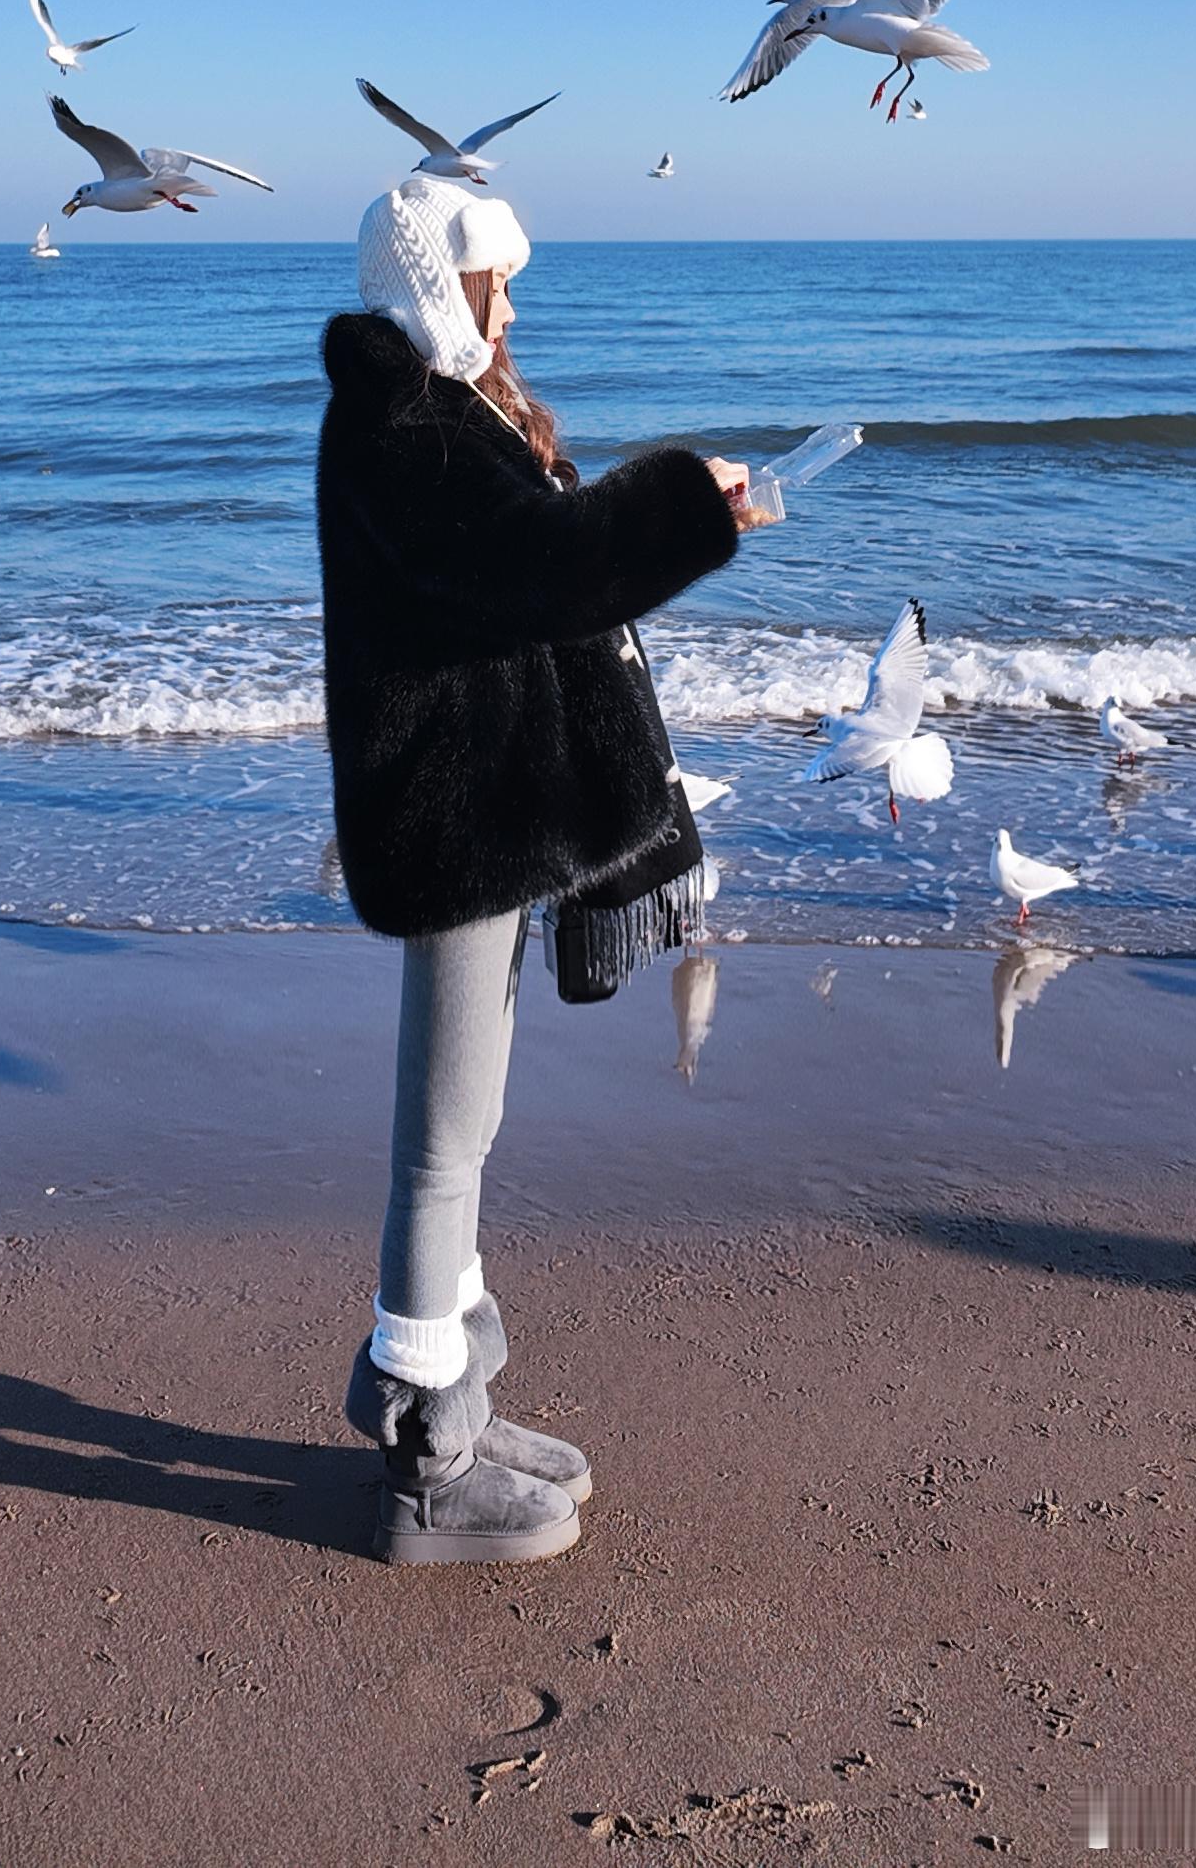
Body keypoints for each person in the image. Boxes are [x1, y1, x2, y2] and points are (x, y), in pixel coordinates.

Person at [317, 171, 750, 1564]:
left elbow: (538, 564)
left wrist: (699, 511)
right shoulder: (398, 424)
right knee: (440, 1142)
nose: (511, 300)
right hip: (453, 815)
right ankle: (426, 1464)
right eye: (490, 276)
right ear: (436, 280)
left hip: (486, 802)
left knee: (471, 1124)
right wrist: (689, 507)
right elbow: (536, 569)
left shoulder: (442, 411)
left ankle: (458, 1392)